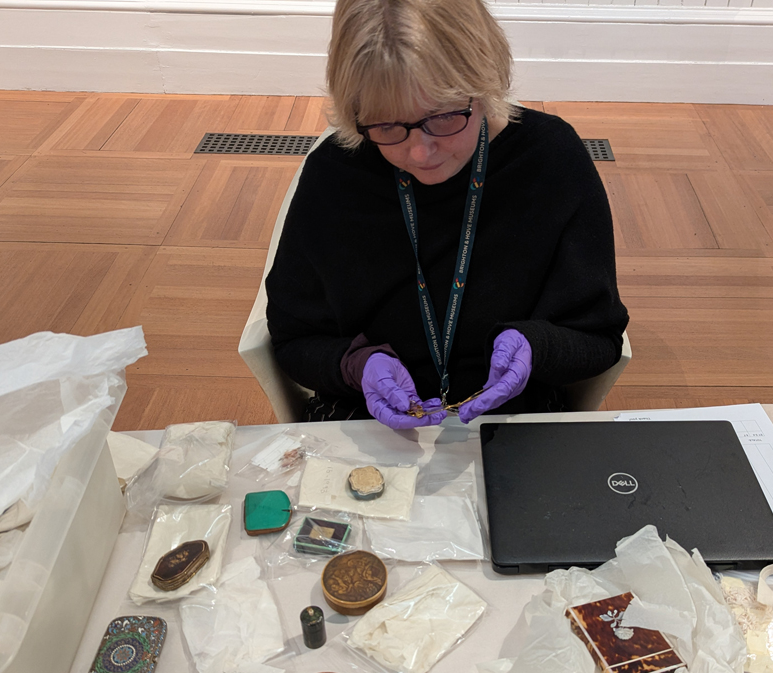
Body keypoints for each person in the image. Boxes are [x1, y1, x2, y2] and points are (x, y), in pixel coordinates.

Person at [265, 0, 628, 428]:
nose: (419, 153)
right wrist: (356, 365)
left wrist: (536, 346)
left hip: (513, 414)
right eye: (387, 127)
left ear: (485, 81)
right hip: (366, 413)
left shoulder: (551, 161)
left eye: (443, 117)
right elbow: (293, 339)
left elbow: (599, 336)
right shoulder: (335, 176)